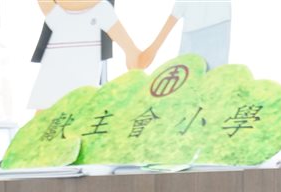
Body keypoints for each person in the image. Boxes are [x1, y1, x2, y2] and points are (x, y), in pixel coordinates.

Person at [29, 0, 178, 110]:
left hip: (83, 88)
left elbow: (134, 57)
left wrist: (141, 55)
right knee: (40, 129)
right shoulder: (58, 14)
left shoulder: (102, 10)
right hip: (52, 85)